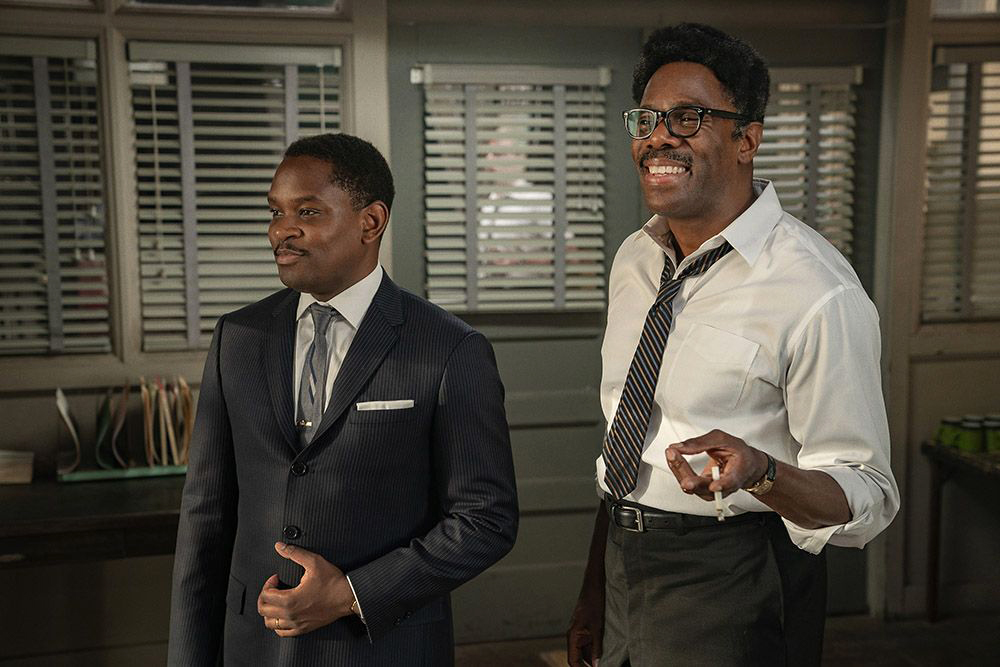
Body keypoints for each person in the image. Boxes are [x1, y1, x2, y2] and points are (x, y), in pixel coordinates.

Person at [566, 23, 899, 667]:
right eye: (647, 119)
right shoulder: (636, 259)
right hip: (622, 560)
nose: (658, 137)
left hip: (738, 575)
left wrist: (765, 472)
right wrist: (591, 593)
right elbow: (627, 434)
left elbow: (868, 492)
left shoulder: (816, 291)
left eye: (688, 118)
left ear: (747, 138)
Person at [168, 133, 518, 666]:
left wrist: (351, 593)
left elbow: (484, 520)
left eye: (307, 211)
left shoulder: (448, 348)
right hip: (253, 649)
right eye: (276, 212)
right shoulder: (237, 338)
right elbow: (205, 516)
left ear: (370, 222)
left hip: (383, 648)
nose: (282, 231)